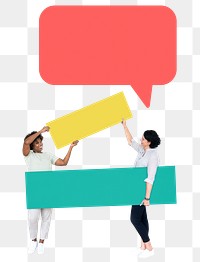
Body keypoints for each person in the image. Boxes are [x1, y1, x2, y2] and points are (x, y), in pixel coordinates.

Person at [23, 126, 79, 255]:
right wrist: (41, 131)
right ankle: (33, 240)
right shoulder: (28, 155)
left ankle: (41, 242)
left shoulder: (48, 156)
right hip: (35, 191)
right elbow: (26, 142)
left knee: (46, 217)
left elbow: (64, 163)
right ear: (32, 146)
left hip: (48, 191)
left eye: (40, 141)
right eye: (37, 143)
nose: (40, 144)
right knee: (33, 217)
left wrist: (70, 147)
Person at [122, 119, 161, 259]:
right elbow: (130, 141)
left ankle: (148, 245)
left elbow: (151, 177)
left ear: (149, 142)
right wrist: (124, 125)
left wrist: (147, 197)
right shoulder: (142, 150)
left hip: (143, 191)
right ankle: (144, 244)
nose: (141, 139)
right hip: (135, 189)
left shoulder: (153, 155)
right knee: (142, 217)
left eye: (143, 139)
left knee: (134, 218)